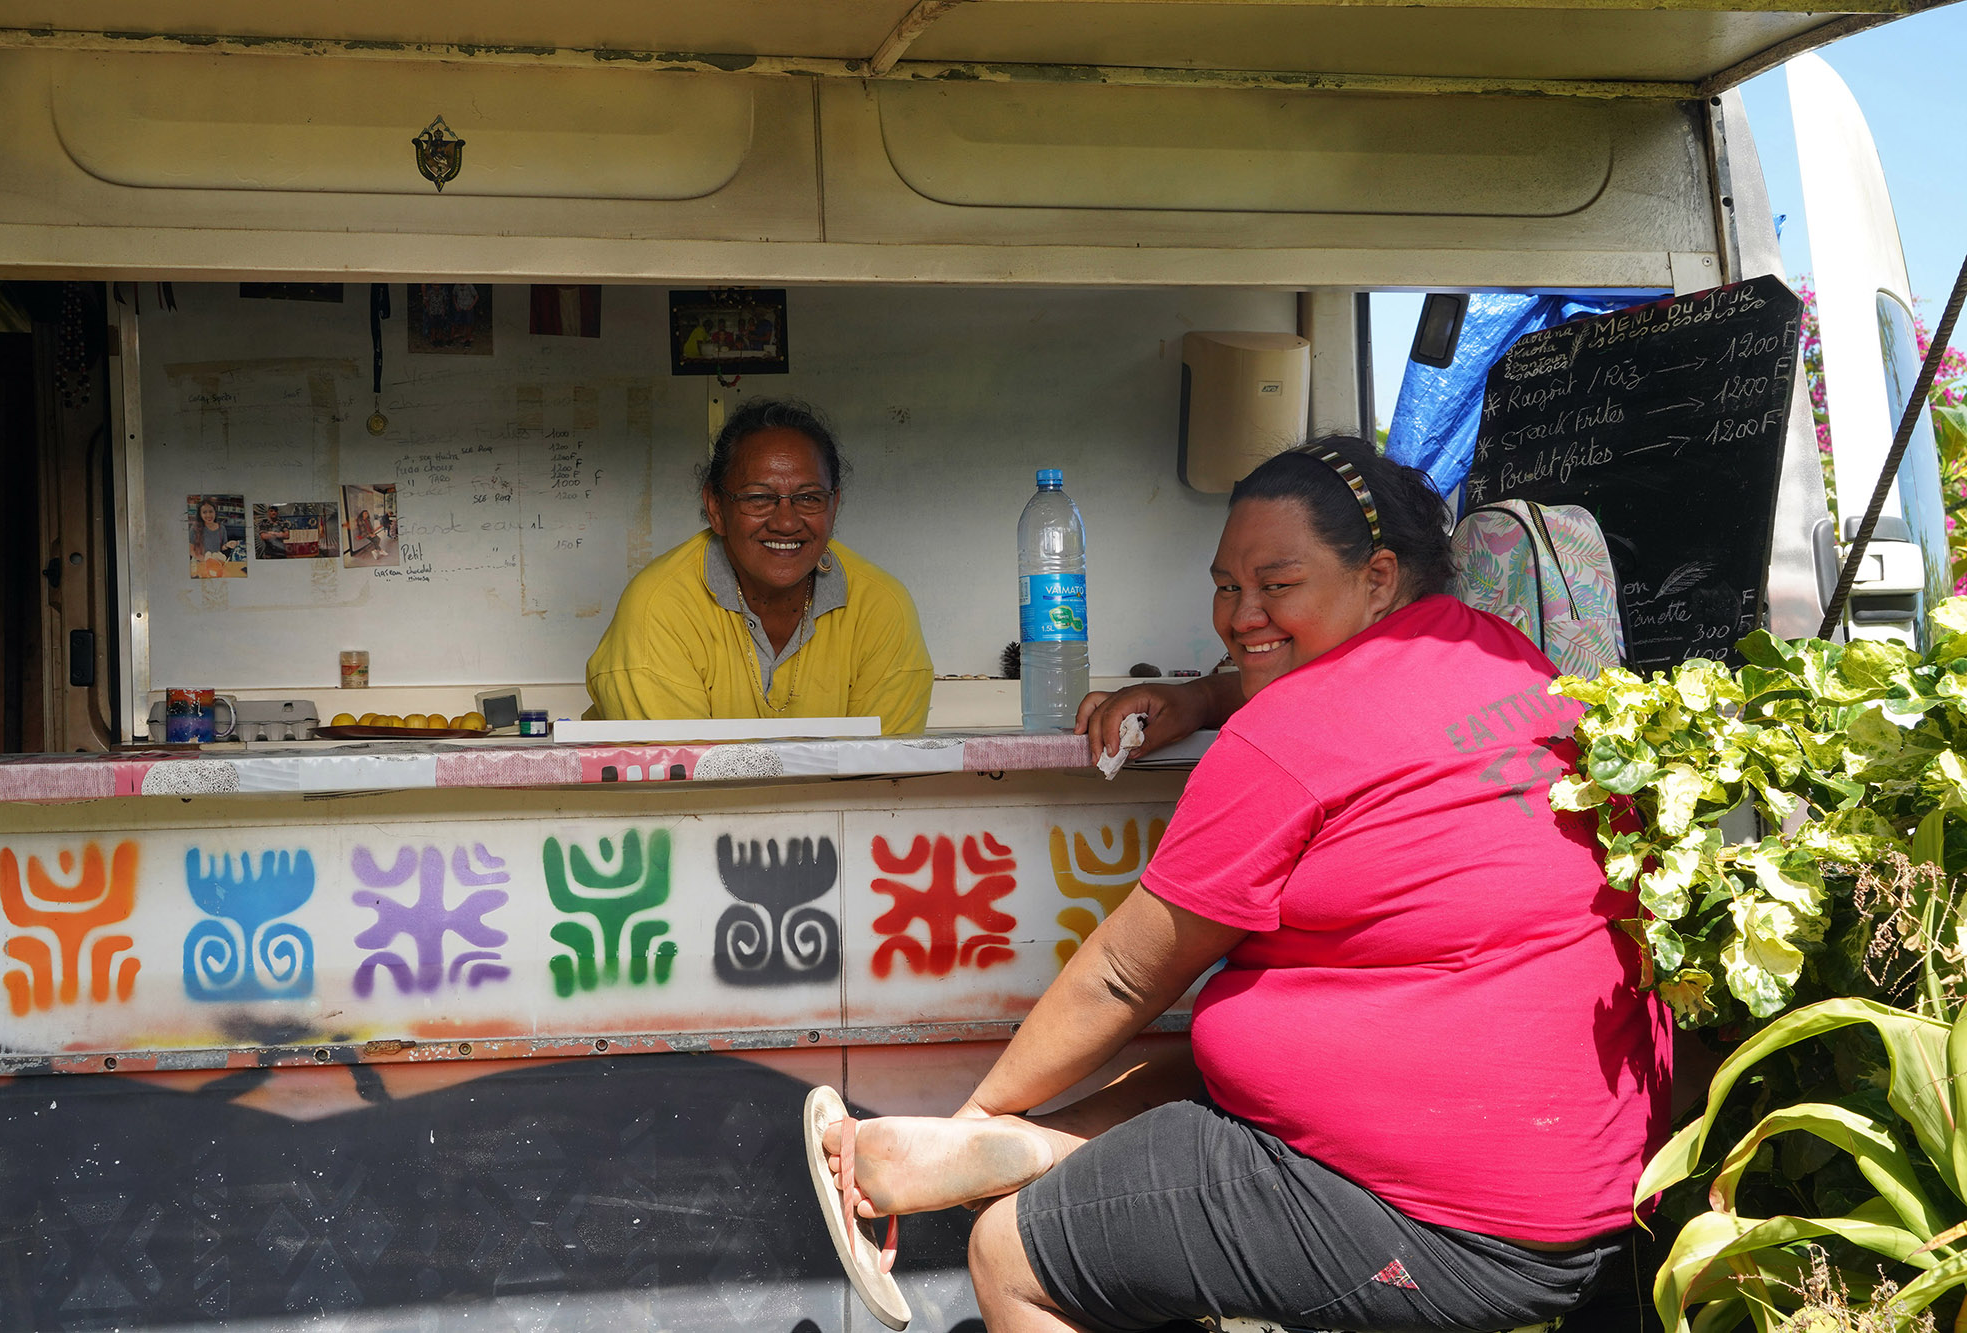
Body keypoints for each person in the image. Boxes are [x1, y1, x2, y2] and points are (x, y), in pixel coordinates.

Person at [805, 438, 1670, 1333]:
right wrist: (1206, 694)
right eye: (1226, 585)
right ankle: (1019, 1147)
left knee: (1011, 1251)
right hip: (1599, 1179)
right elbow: (1328, 693)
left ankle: (979, 1148)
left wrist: (976, 1106)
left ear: (1378, 577)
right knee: (1194, 1070)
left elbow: (1126, 976)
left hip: (1451, 1224)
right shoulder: (1499, 655)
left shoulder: (1291, 736)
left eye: (1277, 584)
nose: (1240, 612)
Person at [585, 398, 933, 734]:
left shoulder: (882, 607)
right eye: (759, 498)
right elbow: (682, 785)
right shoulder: (658, 608)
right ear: (717, 508)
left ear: (834, 505)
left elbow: (886, 777)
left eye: (809, 497)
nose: (785, 522)